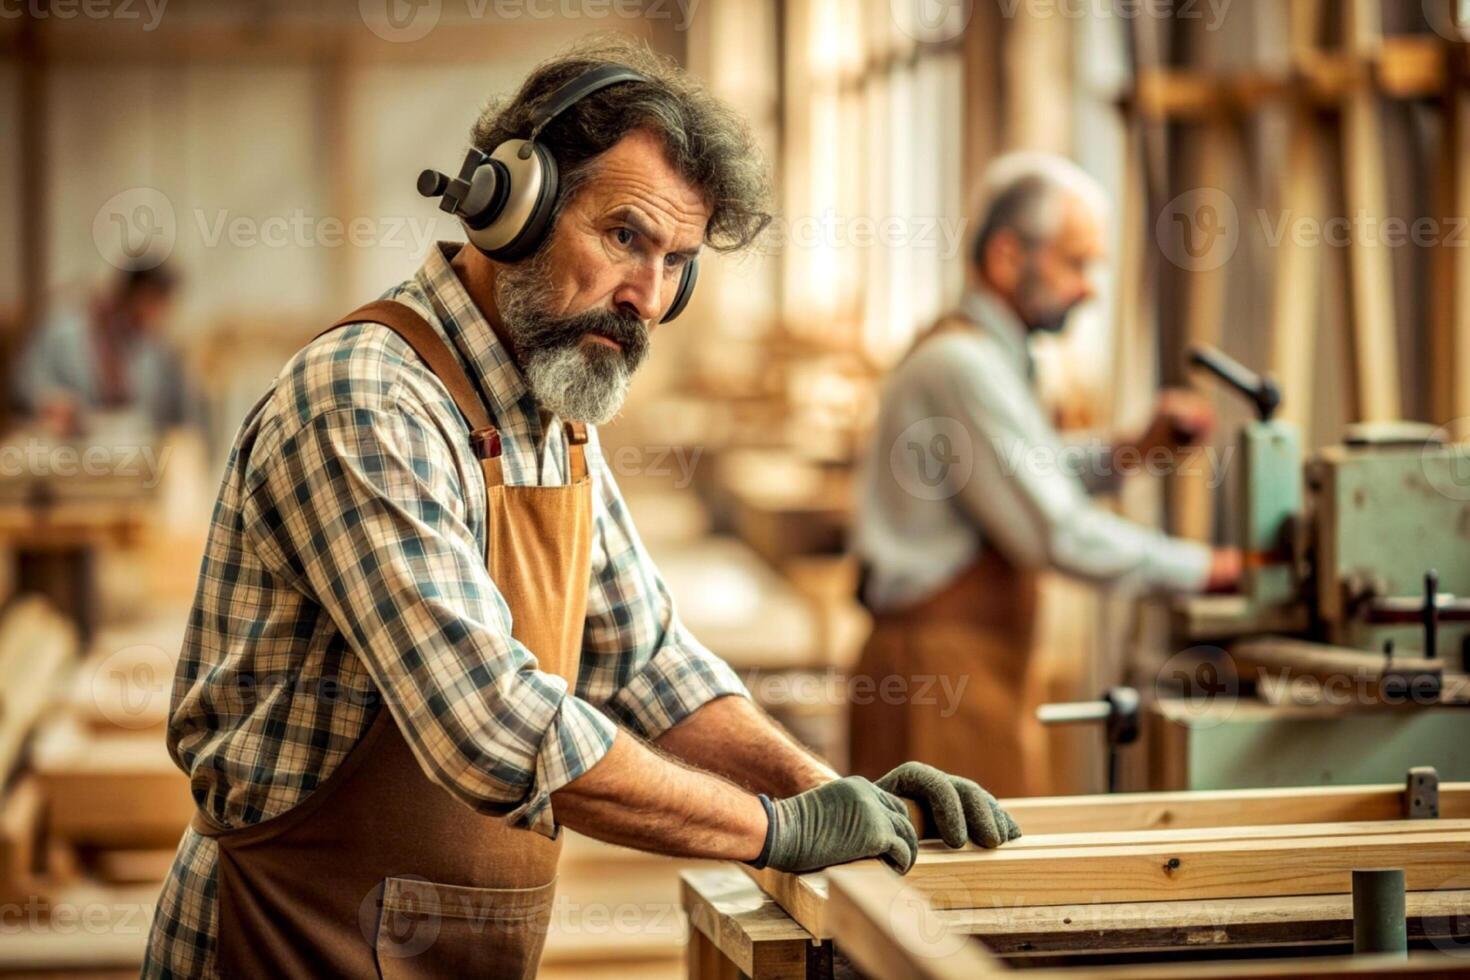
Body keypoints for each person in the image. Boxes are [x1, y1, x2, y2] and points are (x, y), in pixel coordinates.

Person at [144, 39, 1018, 979]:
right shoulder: (364, 403)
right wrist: (776, 829)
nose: (647, 295)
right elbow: (488, 725)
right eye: (624, 237)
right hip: (286, 944)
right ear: (510, 207)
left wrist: (827, 789)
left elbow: (645, 662)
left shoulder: (550, 412)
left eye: (677, 260)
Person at [849, 152, 1242, 799]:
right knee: (953, 889)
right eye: (1076, 263)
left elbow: (1025, 471)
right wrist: (1212, 569)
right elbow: (1056, 533)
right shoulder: (962, 366)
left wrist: (1131, 452)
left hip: (965, 666)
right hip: (936, 677)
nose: (1090, 288)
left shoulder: (993, 360)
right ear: (1007, 257)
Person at [13, 261, 199, 438]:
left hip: (132, 451)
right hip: (67, 448)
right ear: (126, 296)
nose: (151, 314)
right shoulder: (62, 332)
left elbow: (176, 415)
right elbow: (24, 381)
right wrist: (50, 401)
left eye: (159, 305)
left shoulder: (155, 350)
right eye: (147, 302)